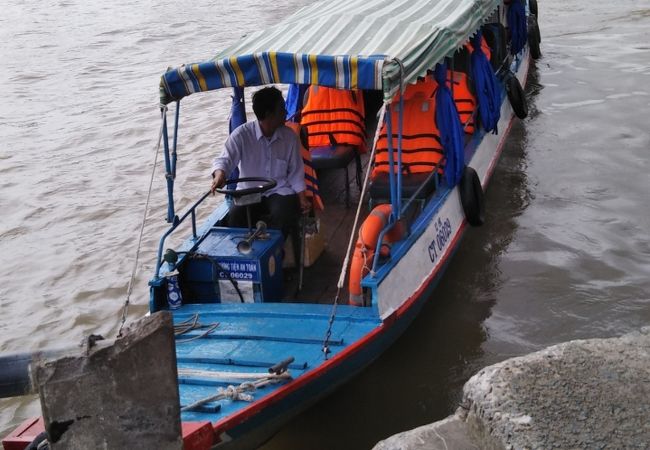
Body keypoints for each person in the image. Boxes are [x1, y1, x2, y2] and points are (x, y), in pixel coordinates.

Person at [210, 86, 311, 238]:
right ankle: (244, 254)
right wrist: (220, 175)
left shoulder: (289, 137)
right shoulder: (241, 135)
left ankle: (277, 252)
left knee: (284, 212)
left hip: (279, 190)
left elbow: (296, 172)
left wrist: (302, 199)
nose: (285, 112)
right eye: (282, 109)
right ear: (269, 114)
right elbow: (224, 160)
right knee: (236, 215)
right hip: (249, 191)